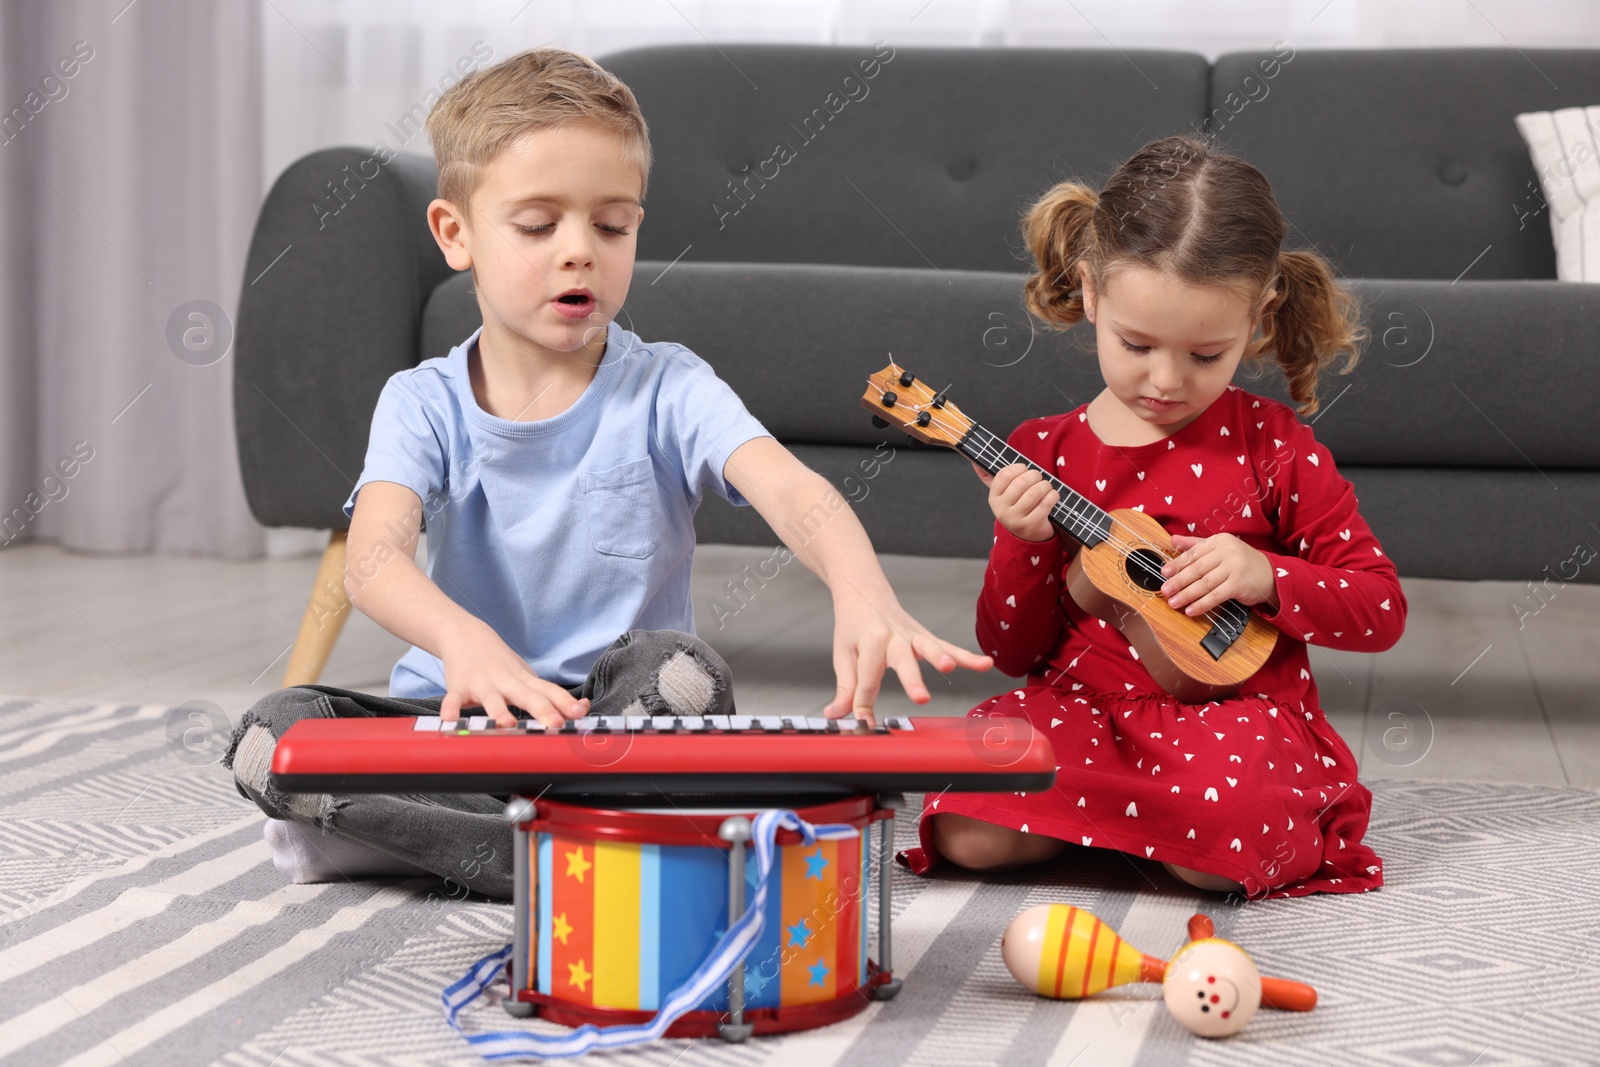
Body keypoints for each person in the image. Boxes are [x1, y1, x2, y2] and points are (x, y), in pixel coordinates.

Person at [224, 47, 991, 898]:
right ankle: (588, 839)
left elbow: (792, 490)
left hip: (615, 720)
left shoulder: (670, 385)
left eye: (613, 225)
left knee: (683, 677)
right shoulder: (420, 401)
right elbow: (374, 561)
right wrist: (465, 644)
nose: (579, 252)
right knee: (273, 734)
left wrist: (860, 586)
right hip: (453, 723)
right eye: (537, 224)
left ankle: (431, 837)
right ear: (456, 233)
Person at [904, 132, 1405, 900]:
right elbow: (1011, 649)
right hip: (1078, 709)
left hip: (1228, 721)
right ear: (1092, 293)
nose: (1166, 380)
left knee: (1222, 836)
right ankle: (1143, 827)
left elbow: (1380, 609)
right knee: (962, 827)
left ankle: (1133, 828)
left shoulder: (1272, 447)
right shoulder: (1044, 450)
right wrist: (1022, 540)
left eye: (1206, 354)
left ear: (1261, 313)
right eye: (1136, 344)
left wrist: (1264, 574)